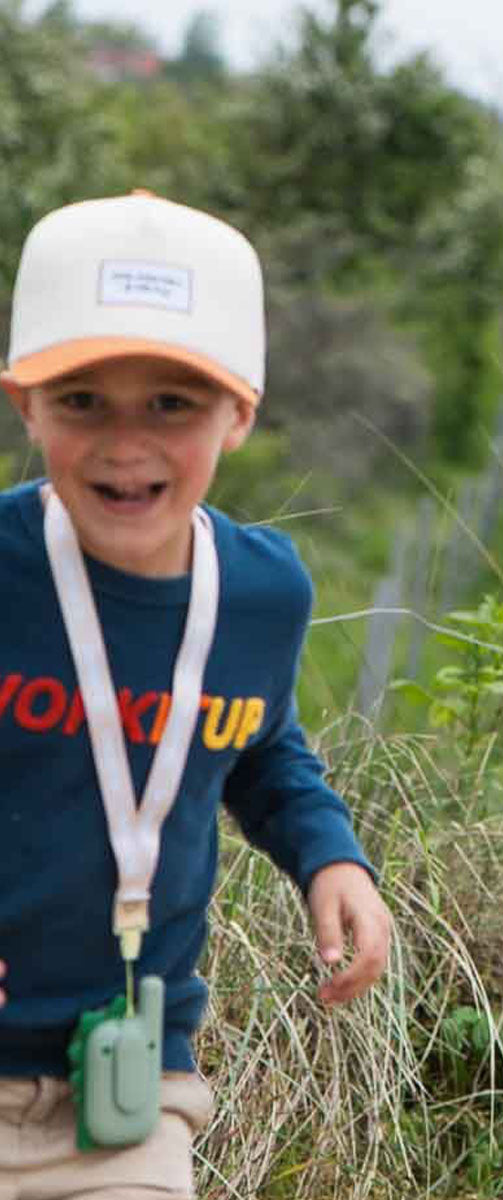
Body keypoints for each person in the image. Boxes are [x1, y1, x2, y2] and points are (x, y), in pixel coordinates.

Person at [0, 191, 392, 1197]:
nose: (127, 443)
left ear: (241, 412)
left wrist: (327, 855)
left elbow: (259, 746)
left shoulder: (262, 594)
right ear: (24, 403)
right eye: (83, 400)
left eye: (172, 404)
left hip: (130, 1089)